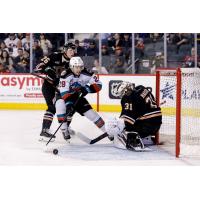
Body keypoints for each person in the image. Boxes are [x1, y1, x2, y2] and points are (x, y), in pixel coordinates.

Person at [57, 56, 111, 141]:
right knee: (60, 106)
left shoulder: (87, 73)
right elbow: (64, 93)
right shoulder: (65, 75)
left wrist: (87, 89)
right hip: (64, 96)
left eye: (80, 67)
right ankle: (64, 129)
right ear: (71, 67)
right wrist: (69, 105)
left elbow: (99, 85)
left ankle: (108, 132)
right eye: (76, 67)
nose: (79, 69)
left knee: (92, 114)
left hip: (78, 96)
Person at [34, 42, 76, 141]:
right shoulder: (55, 56)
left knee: (70, 107)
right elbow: (39, 67)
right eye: (70, 50)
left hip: (63, 88)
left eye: (74, 50)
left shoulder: (74, 61)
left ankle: (65, 128)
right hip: (49, 86)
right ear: (65, 50)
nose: (73, 52)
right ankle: (44, 131)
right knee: (52, 107)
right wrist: (48, 70)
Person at [105, 82, 162, 150]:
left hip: (145, 127)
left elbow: (128, 121)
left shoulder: (128, 98)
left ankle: (134, 138)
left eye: (122, 93)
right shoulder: (142, 88)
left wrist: (120, 130)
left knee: (114, 123)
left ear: (125, 91)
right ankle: (146, 138)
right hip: (156, 125)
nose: (121, 96)